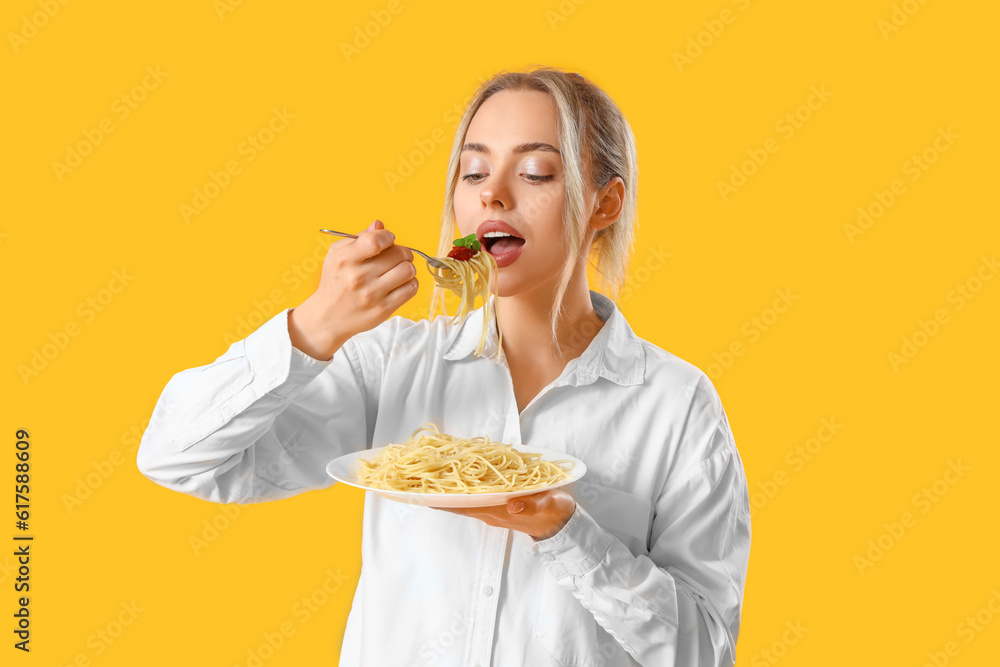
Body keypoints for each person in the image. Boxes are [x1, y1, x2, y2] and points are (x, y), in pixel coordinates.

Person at [137, 65, 751, 667]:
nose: (493, 193)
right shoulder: (392, 364)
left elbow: (705, 652)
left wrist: (566, 532)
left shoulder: (676, 402)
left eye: (536, 171)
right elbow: (177, 456)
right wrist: (313, 326)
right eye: (474, 171)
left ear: (605, 203)